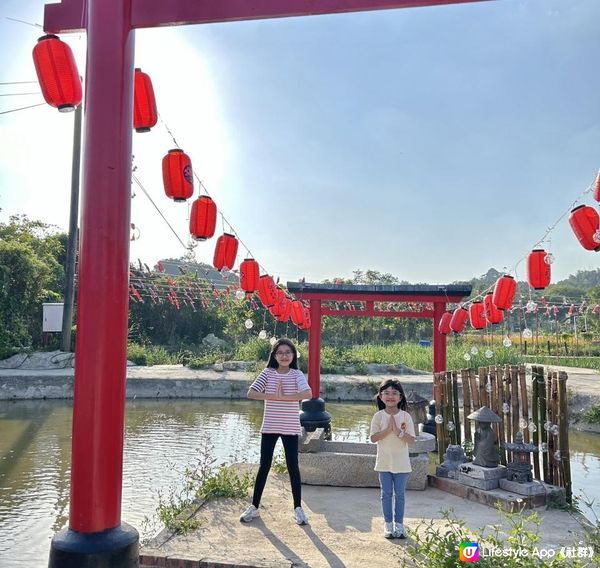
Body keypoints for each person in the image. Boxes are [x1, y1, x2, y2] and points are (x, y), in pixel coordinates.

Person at [240, 338, 313, 525]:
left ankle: (298, 508)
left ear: (293, 355)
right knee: (264, 466)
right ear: (274, 355)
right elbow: (251, 393)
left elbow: (307, 394)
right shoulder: (268, 373)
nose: (284, 356)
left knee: (293, 467)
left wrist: (285, 398)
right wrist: (273, 396)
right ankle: (254, 506)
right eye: (280, 352)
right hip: (270, 425)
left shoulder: (296, 374)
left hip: (289, 426)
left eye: (288, 352)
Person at [370, 379, 416, 539]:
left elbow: (411, 439)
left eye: (394, 393)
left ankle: (400, 524)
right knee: (386, 494)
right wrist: (388, 429)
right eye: (386, 393)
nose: (390, 396)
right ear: (381, 396)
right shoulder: (378, 416)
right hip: (383, 462)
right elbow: (373, 438)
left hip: (402, 463)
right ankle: (388, 524)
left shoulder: (405, 416)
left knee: (400, 494)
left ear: (401, 397)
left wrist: (397, 431)